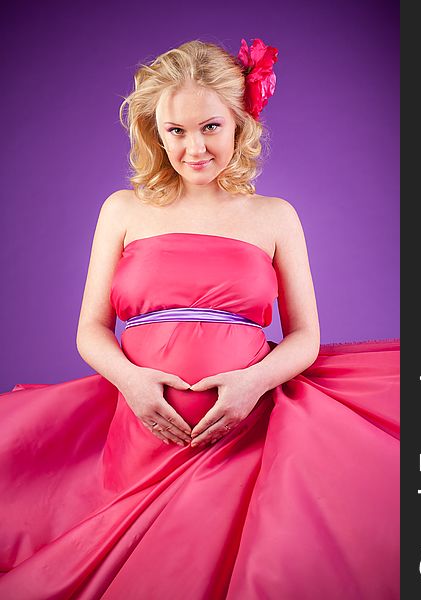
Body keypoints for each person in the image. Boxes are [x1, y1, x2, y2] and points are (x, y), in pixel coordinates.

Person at [0, 38, 399, 599]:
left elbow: (305, 336)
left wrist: (253, 382)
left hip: (248, 426)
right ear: (155, 133)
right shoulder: (123, 210)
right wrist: (134, 382)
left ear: (241, 123)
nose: (194, 148)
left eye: (210, 126)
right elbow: (90, 329)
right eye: (176, 131)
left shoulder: (274, 217)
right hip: (140, 433)